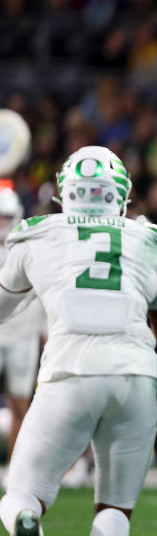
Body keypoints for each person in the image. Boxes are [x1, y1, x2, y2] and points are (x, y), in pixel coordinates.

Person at [0, 146, 157, 536]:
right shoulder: (152, 240)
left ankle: (27, 522)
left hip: (69, 372)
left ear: (64, 191)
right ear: (121, 193)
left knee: (21, 491)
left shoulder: (37, 235)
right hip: (136, 376)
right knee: (116, 505)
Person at [0, 185, 44, 465]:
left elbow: (43, 291)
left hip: (24, 334)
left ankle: (15, 469)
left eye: (5, 217)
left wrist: (46, 331)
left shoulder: (29, 247)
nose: (2, 223)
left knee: (20, 402)